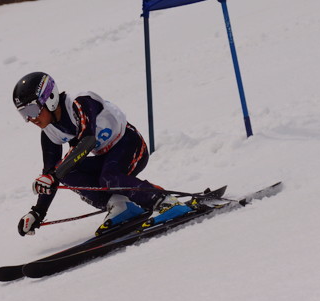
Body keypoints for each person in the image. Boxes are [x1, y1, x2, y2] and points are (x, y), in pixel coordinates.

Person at [13, 72, 192, 237]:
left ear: (50, 98)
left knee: (109, 177)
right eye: (24, 114)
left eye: (31, 110)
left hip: (130, 145)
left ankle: (166, 201)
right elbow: (50, 174)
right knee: (66, 172)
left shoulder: (80, 101)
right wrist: (38, 212)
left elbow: (87, 140)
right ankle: (121, 205)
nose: (30, 119)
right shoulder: (49, 132)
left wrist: (53, 175)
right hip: (106, 158)